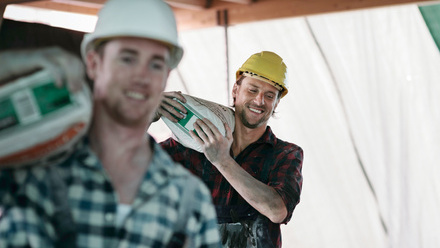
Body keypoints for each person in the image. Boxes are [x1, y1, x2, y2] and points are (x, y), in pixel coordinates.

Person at [0, 0, 221, 247]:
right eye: (127, 59)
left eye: (156, 64)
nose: (142, 77)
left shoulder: (187, 198)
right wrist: (11, 65)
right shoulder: (29, 168)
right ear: (94, 64)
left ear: (166, 77)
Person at [157, 51, 304, 247]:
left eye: (269, 96)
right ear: (236, 90)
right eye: (252, 90)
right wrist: (144, 116)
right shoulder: (193, 144)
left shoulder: (285, 154)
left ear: (277, 102)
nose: (259, 101)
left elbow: (277, 210)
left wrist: (222, 161)